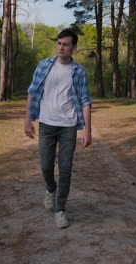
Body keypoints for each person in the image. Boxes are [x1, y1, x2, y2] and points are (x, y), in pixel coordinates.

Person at [24, 29, 92, 229]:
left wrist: (88, 130)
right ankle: (50, 188)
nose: (61, 47)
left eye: (66, 44)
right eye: (59, 43)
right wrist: (27, 120)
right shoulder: (44, 66)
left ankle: (60, 209)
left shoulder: (79, 72)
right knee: (46, 166)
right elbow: (32, 92)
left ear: (74, 48)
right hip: (46, 123)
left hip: (68, 126)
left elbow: (85, 101)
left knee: (65, 169)